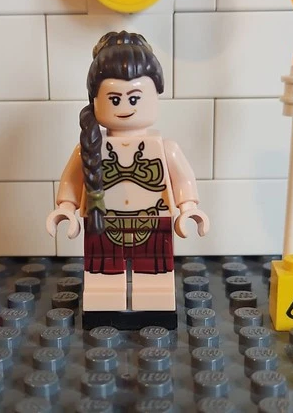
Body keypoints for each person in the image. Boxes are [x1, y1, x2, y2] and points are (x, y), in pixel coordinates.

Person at [46, 31, 209, 319]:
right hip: (102, 222)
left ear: (154, 97)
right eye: (114, 99)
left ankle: (155, 304)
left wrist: (189, 208)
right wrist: (66, 208)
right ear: (96, 101)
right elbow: (72, 180)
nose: (125, 107)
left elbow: (183, 180)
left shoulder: (166, 148)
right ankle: (103, 304)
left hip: (154, 219)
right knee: (102, 273)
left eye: (134, 98)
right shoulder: (88, 148)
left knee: (154, 272)